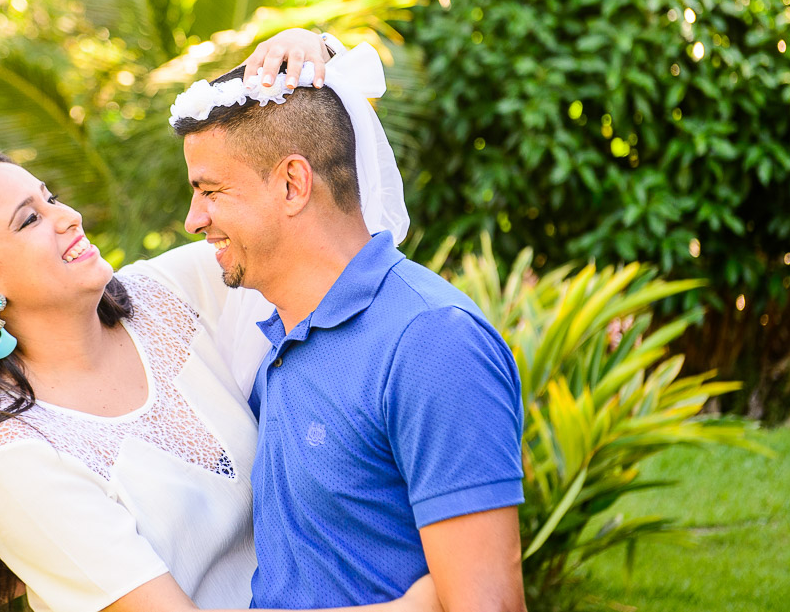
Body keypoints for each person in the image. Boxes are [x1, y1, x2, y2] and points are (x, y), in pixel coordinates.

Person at [0, 30, 436, 612]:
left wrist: (312, 51)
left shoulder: (169, 292)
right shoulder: (15, 456)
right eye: (29, 220)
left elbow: (329, 229)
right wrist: (421, 604)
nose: (67, 217)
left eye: (51, 198)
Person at [170, 45, 527, 612]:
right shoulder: (275, 336)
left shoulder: (431, 342)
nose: (194, 219)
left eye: (211, 191)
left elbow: (489, 604)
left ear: (293, 184)